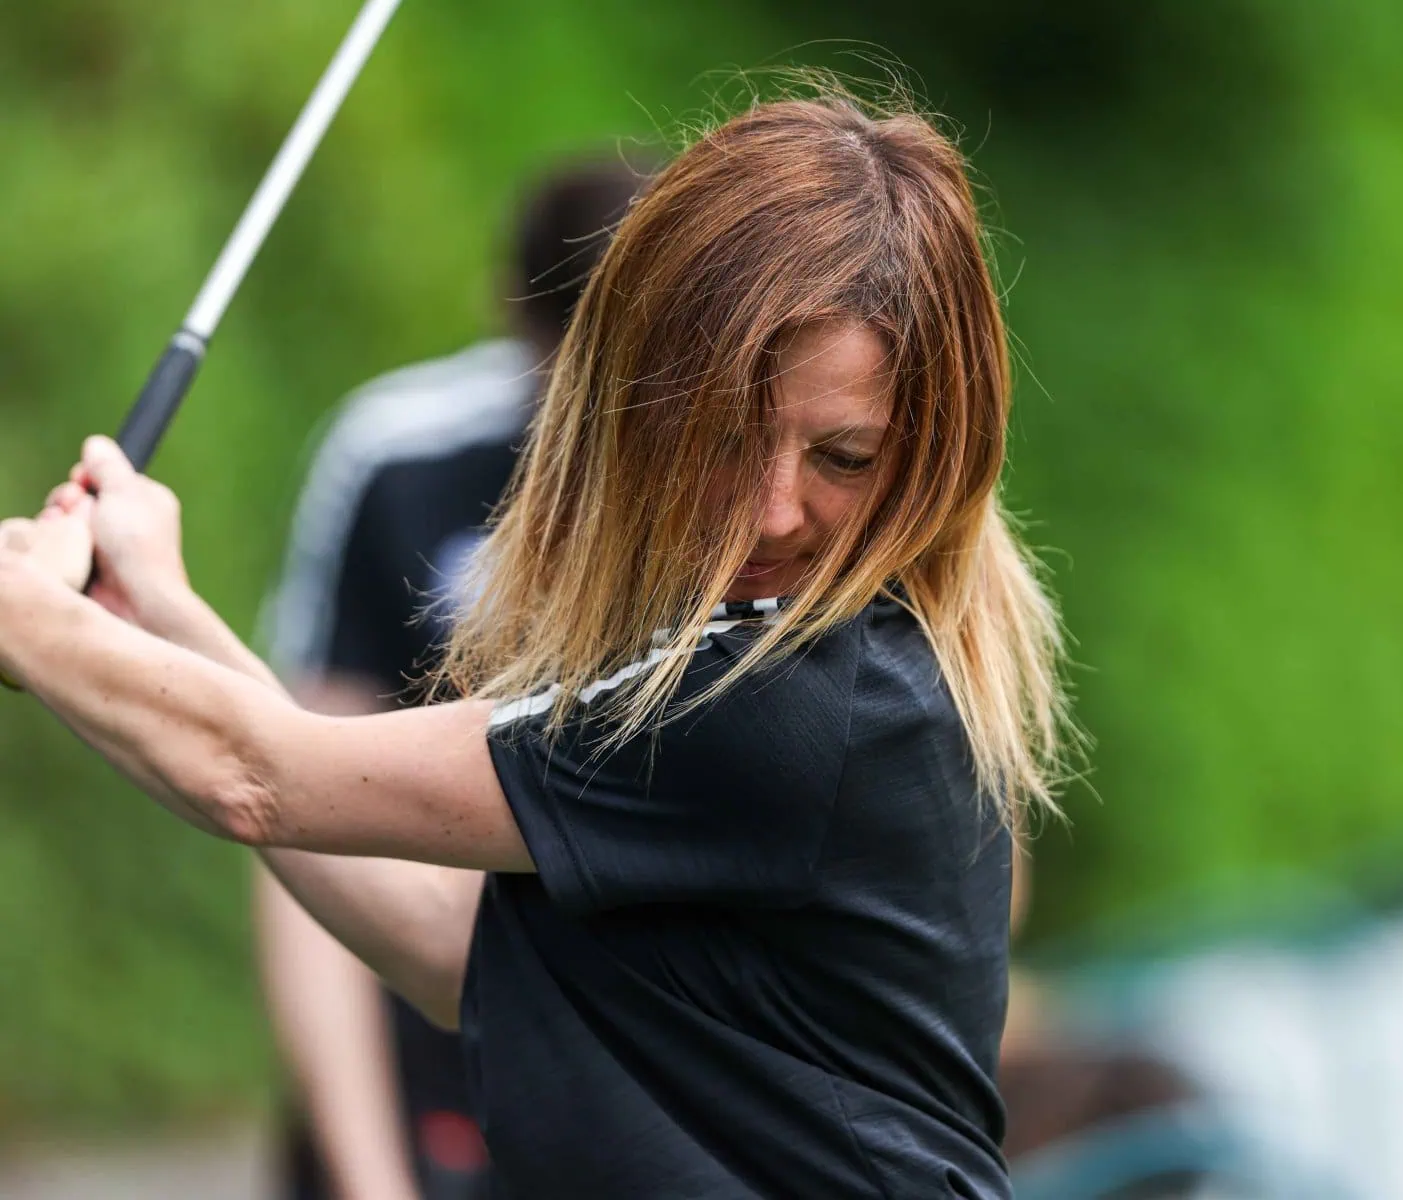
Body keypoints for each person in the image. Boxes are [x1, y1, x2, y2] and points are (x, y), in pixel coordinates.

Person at [0, 91, 1070, 1198]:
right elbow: (453, 950)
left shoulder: (797, 699)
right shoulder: (781, 678)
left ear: (929, 454)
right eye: (727, 436)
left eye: (841, 457)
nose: (772, 511)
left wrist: (30, 619)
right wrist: (157, 612)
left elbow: (257, 777)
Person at [257, 160, 641, 1200]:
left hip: (634, 1062)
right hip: (411, 1021)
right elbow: (289, 792)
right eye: (569, 358)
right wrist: (370, 1177)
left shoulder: (757, 492)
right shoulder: (397, 456)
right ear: (513, 316)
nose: (593, 413)